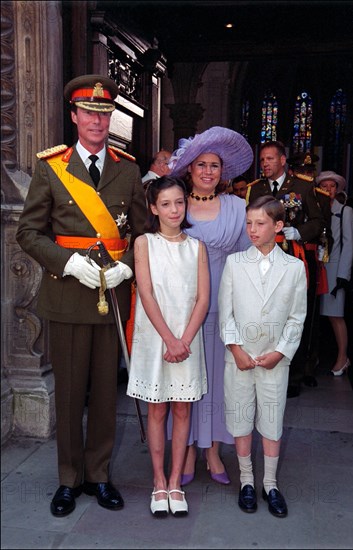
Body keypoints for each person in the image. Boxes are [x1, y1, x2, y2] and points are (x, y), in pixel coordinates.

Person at [16, 74, 147, 517]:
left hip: (112, 297)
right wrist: (67, 263)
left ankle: (100, 474)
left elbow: (144, 231)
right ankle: (69, 479)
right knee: (71, 392)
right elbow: (28, 232)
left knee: (107, 394)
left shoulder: (128, 169)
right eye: (88, 113)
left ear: (111, 120)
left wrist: (127, 262)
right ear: (74, 117)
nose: (96, 121)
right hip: (69, 293)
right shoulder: (51, 167)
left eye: (104, 114)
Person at [168, 126, 253, 485]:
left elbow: (247, 259)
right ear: (189, 169)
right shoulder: (175, 203)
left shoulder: (237, 206)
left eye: (214, 165)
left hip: (222, 307)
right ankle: (186, 448)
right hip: (180, 309)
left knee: (219, 381)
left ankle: (213, 449)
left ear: (223, 171)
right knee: (184, 380)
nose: (207, 171)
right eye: (201, 164)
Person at [218, 196, 307, 517]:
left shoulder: (295, 268)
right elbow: (225, 313)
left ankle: (270, 483)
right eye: (249, 223)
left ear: (278, 226)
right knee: (241, 418)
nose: (252, 230)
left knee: (272, 420)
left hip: (274, 360)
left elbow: (297, 317)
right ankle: (246, 481)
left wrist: (281, 351)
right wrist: (236, 348)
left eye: (260, 224)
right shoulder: (235, 263)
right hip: (239, 359)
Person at [127, 176, 209, 516]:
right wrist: (169, 340)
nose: (174, 210)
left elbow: (203, 298)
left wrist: (184, 341)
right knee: (157, 409)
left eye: (179, 202)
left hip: (187, 339)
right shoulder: (145, 243)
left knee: (182, 408)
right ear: (153, 208)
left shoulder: (197, 247)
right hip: (155, 336)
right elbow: (146, 293)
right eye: (166, 204)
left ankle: (176, 481)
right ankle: (158, 481)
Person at [246, 142, 325, 398]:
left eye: (269, 159)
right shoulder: (255, 189)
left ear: (282, 161)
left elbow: (318, 221)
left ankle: (294, 374)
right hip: (263, 259)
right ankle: (263, 365)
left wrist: (299, 232)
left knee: (292, 315)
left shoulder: (302, 186)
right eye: (262, 160)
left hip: (293, 256)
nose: (265, 164)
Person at [287, 151, 334, 388]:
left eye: (309, 172)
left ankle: (308, 365)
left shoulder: (323, 198)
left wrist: (322, 256)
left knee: (310, 316)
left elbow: (326, 233)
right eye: (302, 171)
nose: (307, 175)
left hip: (311, 259)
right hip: (290, 255)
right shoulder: (287, 193)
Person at [317, 171, 353, 375]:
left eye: (332, 186)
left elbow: (349, 244)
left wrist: (343, 274)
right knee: (316, 317)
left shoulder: (345, 211)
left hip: (335, 268)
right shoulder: (316, 209)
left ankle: (343, 356)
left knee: (335, 315)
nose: (328, 190)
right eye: (325, 186)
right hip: (318, 267)